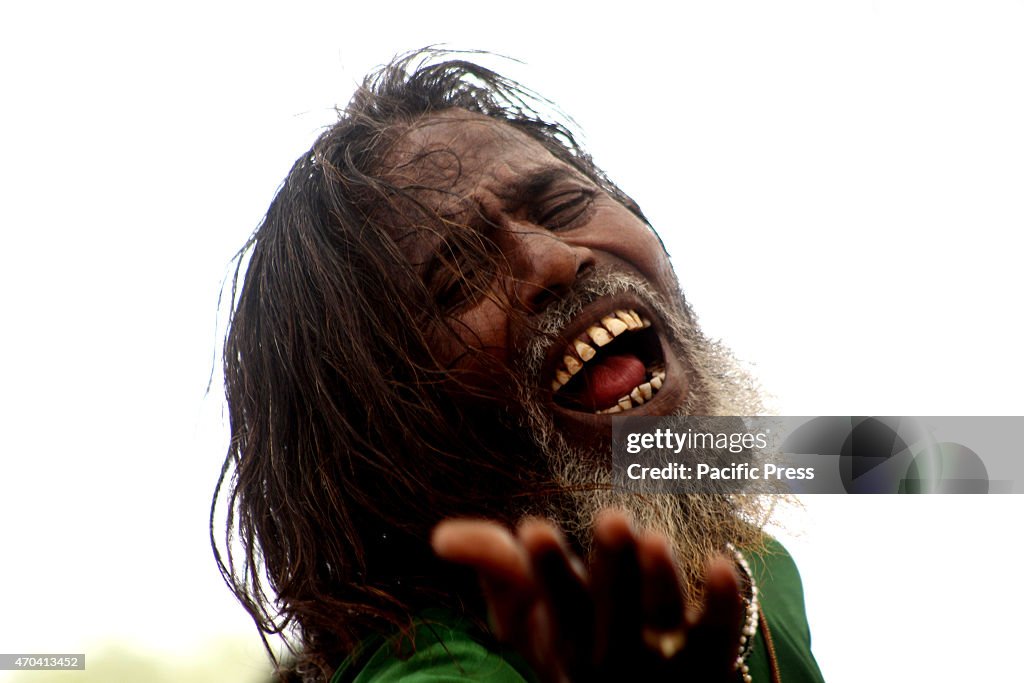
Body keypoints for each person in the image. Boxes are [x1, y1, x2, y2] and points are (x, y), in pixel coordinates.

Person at [212, 49, 825, 683]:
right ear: (389, 438)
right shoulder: (438, 668)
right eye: (460, 276)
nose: (555, 260)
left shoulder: (761, 571)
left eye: (562, 207)